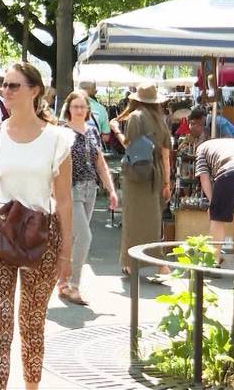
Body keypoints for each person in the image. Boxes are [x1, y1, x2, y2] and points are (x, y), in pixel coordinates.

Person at [0, 62, 73, 390]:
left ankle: (32, 386)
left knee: (32, 323)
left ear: (34, 91)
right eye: (4, 85)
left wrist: (67, 250)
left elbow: (63, 201)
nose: (6, 91)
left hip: (42, 231)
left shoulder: (57, 139)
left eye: (14, 86)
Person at [58, 90, 118, 306]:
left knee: (75, 239)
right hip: (70, 190)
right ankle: (73, 286)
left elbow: (100, 163)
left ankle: (62, 282)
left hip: (90, 188)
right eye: (75, 106)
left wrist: (111, 189)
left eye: (83, 107)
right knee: (85, 237)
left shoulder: (92, 131)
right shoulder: (61, 131)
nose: (79, 110)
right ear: (68, 109)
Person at [109, 82, 172, 277]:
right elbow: (165, 154)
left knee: (133, 220)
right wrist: (168, 183)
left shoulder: (136, 117)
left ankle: (131, 263)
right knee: (154, 220)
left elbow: (130, 146)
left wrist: (116, 129)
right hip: (157, 174)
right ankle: (160, 264)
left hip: (137, 176)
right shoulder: (161, 121)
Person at [194, 137, 234, 265]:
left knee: (217, 219)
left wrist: (212, 203)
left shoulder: (201, 149)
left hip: (228, 171)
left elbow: (204, 178)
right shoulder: (233, 142)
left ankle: (213, 260)